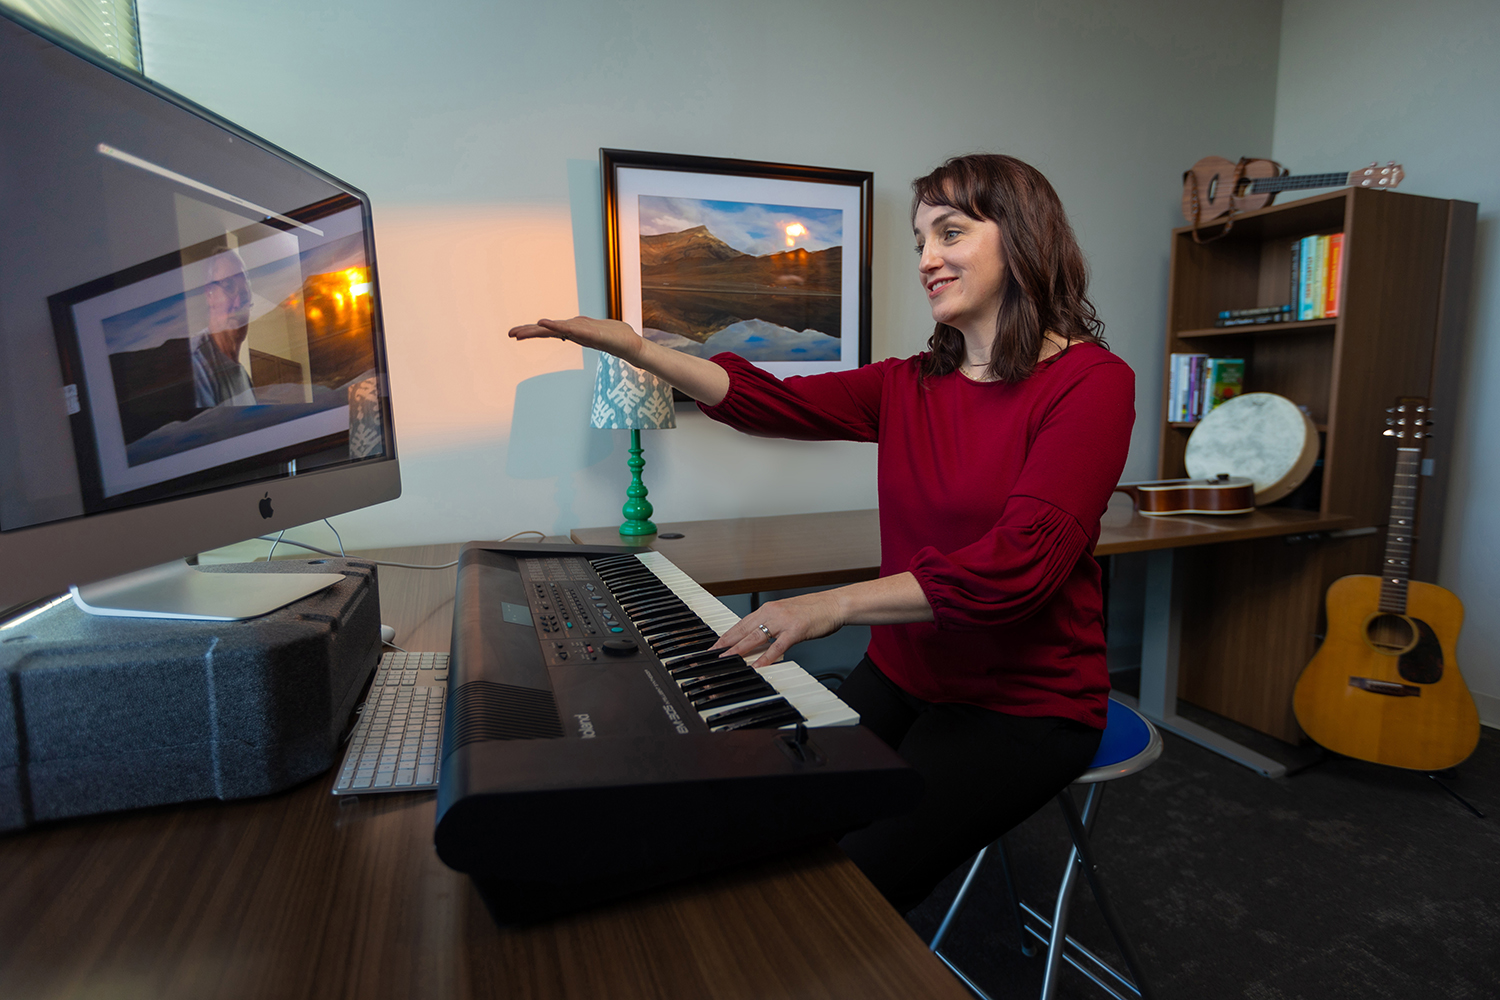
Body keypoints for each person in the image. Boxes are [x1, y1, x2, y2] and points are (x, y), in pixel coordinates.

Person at [509, 153, 1134, 913]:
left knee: (852, 886)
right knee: (785, 829)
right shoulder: (910, 384)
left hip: (1023, 705)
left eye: (951, 232)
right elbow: (770, 400)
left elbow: (1023, 562)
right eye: (919, 243)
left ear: (1024, 239)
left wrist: (824, 606)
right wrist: (641, 350)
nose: (928, 260)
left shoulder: (1093, 382)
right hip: (908, 672)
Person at [190, 247, 257, 407]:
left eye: (245, 295)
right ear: (209, 294)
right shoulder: (195, 364)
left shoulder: (244, 377)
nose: (238, 303)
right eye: (228, 287)